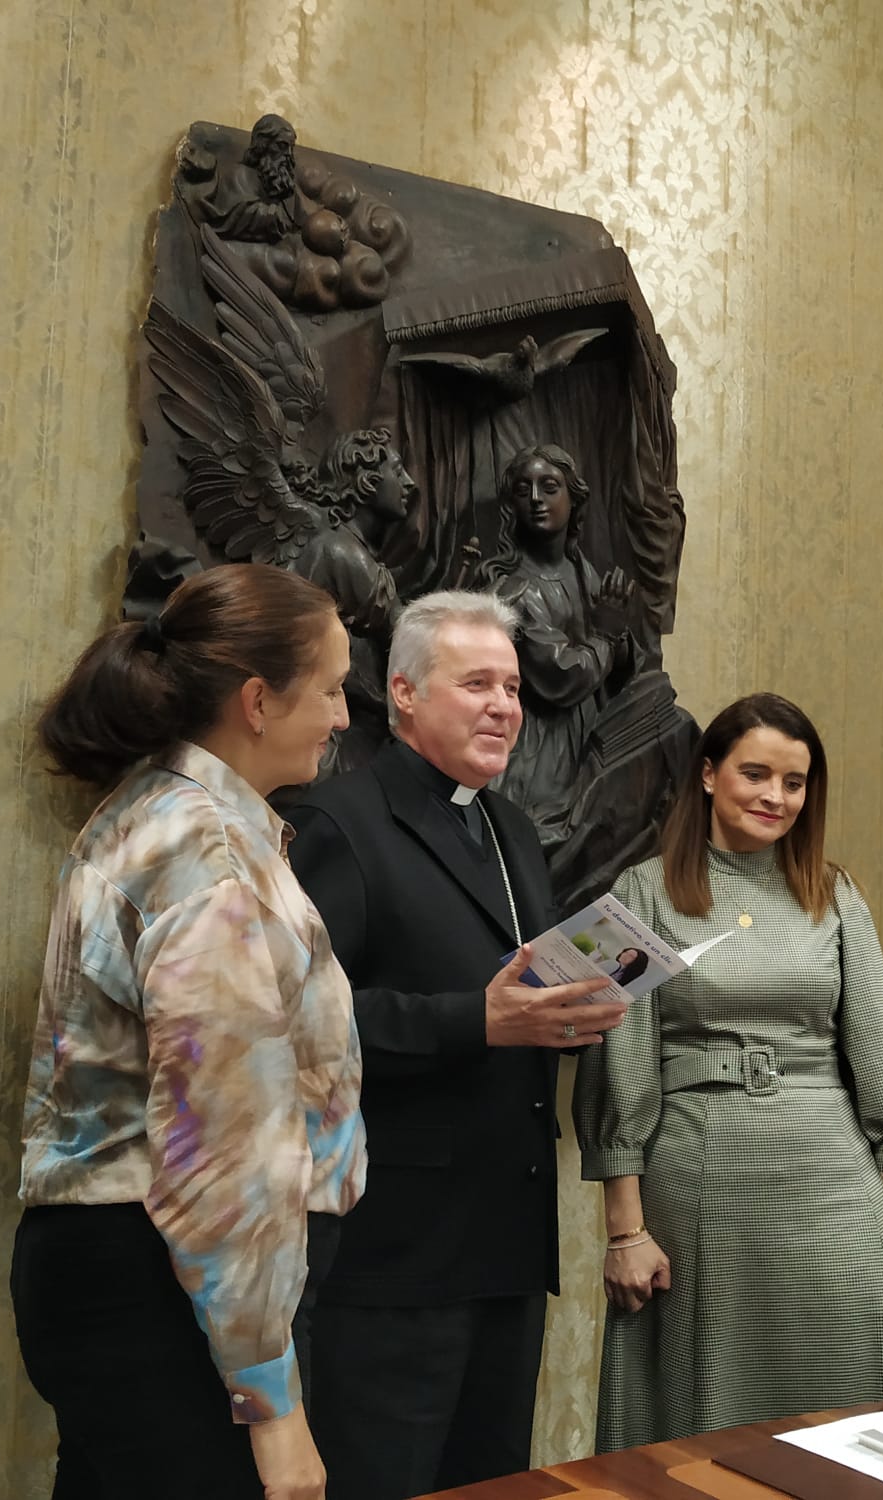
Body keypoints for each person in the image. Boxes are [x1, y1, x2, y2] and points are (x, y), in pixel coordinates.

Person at [10, 563, 365, 1500]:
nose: (341, 715)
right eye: (330, 689)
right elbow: (223, 1149)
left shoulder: (174, 818)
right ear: (257, 700)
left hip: (143, 1280)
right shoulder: (202, 850)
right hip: (170, 1292)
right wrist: (271, 1404)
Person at [285, 590, 628, 1500]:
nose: (504, 707)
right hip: (393, 1251)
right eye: (476, 684)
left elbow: (522, 990)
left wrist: (577, 1012)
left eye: (512, 688)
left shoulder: (511, 826)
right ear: (401, 693)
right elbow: (304, 1023)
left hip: (507, 1242)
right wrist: (476, 1021)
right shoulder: (338, 822)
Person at [574, 692, 883, 1450]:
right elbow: (617, 1068)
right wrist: (625, 1231)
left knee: (851, 1398)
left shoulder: (834, 893)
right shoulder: (639, 893)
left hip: (833, 1181)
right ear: (709, 775)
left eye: (795, 782)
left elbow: (882, 1056)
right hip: (699, 1176)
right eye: (756, 774)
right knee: (709, 1408)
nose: (775, 797)